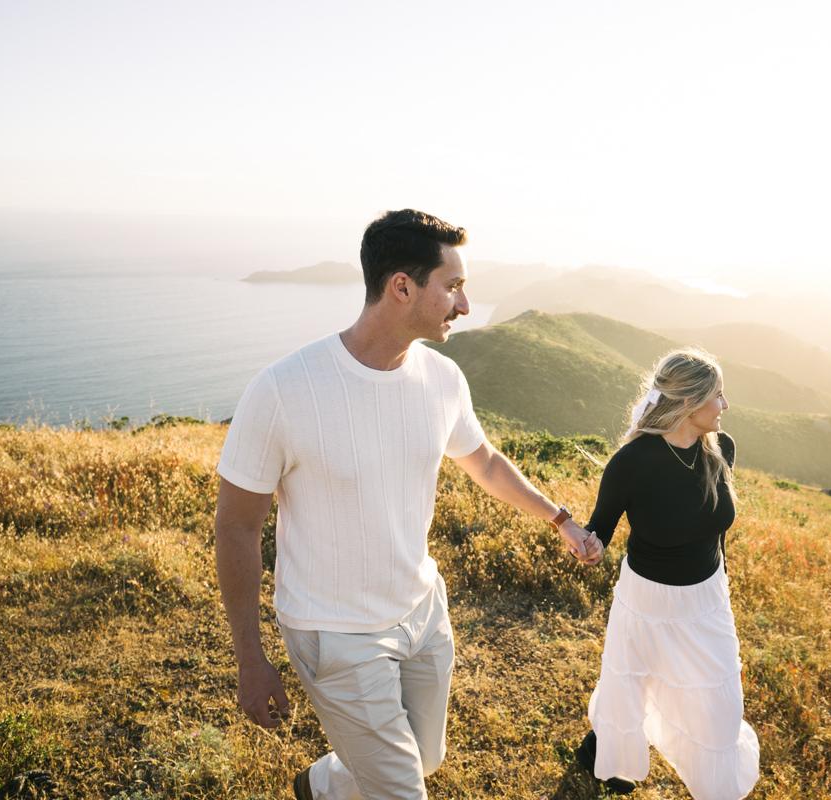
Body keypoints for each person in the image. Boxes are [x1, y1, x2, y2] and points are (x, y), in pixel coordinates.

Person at [214, 209, 600, 800]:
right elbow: (237, 528)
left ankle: (322, 785)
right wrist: (250, 658)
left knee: (426, 756)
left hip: (422, 611)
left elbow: (487, 463)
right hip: (335, 632)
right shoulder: (284, 390)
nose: (464, 307)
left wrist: (561, 518)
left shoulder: (443, 379)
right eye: (453, 287)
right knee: (402, 791)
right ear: (402, 287)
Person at [575, 349, 760, 799]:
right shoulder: (632, 462)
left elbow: (715, 532)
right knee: (631, 683)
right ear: (690, 403)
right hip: (647, 599)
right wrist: (590, 546)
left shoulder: (722, 449)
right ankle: (605, 754)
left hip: (706, 600)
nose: (725, 405)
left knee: (718, 705)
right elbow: (599, 530)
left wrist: (721, 584)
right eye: (718, 395)